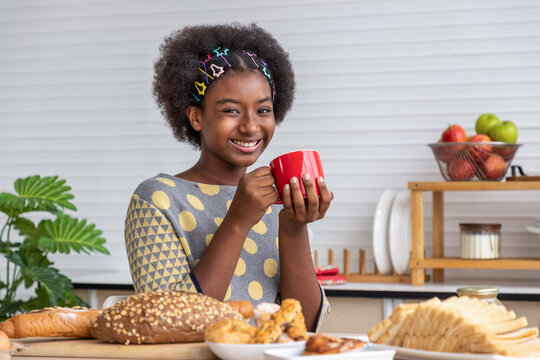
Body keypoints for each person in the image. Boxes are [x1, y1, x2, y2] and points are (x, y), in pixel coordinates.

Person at [124, 23, 333, 331]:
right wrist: (237, 221)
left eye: (263, 110)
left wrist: (293, 227)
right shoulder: (158, 199)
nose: (251, 127)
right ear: (197, 117)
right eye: (232, 111)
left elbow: (303, 326)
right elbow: (168, 322)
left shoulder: (275, 203)